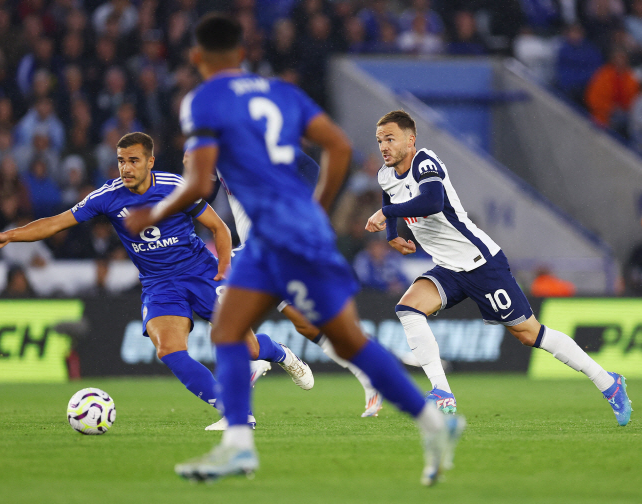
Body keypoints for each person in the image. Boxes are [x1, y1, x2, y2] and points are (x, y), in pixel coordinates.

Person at [124, 14, 464, 486]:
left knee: (230, 330)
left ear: (199, 58)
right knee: (328, 337)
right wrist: (316, 210)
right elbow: (339, 147)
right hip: (299, 232)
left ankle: (239, 444)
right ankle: (432, 424)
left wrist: (153, 214)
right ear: (241, 54)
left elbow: (199, 182)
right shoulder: (280, 92)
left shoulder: (205, 101)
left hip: (268, 237)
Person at [0, 131, 311, 430]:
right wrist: (11, 235)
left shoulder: (176, 189)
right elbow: (56, 223)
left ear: (150, 161)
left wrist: (223, 265)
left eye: (133, 161)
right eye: (121, 161)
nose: (125, 168)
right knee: (169, 349)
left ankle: (280, 354)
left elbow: (219, 228)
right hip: (159, 283)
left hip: (200, 272)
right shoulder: (106, 197)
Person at [365, 110, 631, 425]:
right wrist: (393, 234)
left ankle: (608, 382)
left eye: (391, 138)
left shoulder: (426, 162)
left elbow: (432, 202)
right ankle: (442, 392)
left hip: (480, 263)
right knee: (408, 309)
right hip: (448, 267)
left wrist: (386, 213)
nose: (384, 146)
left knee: (529, 334)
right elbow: (389, 195)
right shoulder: (385, 173)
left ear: (411, 139)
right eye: (380, 139)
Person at [208, 149, 384, 418]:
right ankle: (369, 375)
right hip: (256, 247)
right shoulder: (212, 149)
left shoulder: (258, 138)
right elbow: (205, 194)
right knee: (305, 322)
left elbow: (310, 167)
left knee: (219, 290)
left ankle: (249, 364)